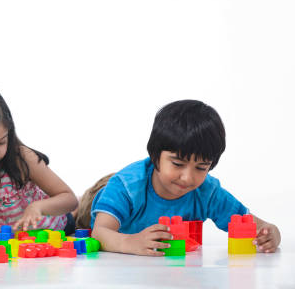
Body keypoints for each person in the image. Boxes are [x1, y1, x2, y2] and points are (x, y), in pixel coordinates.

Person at [89, 99, 281, 256]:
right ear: (155, 156)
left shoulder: (207, 192)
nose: (187, 178)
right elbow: (99, 232)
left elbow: (255, 225)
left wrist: (271, 233)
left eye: (201, 167)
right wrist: (129, 242)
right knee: (77, 215)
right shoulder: (127, 187)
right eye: (178, 164)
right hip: (101, 196)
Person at [0, 85, 78, 245]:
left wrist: (38, 207)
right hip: (14, 247)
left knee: (78, 211)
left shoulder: (22, 159)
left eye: (2, 142)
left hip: (56, 228)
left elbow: (70, 199)